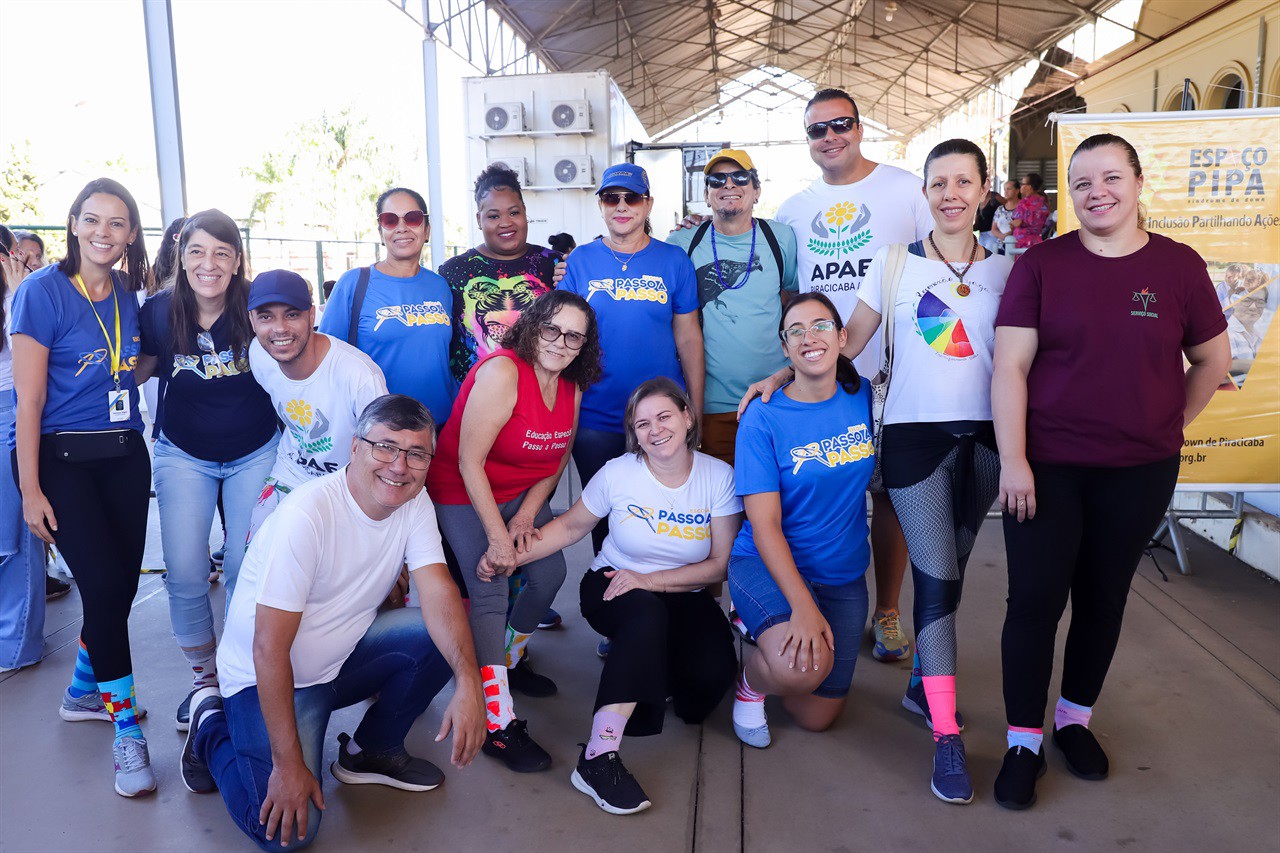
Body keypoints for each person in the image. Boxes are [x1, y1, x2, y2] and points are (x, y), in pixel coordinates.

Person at [992, 133, 1230, 810]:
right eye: (1082, 181)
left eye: (1109, 178)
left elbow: (1212, 360)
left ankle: (1073, 720)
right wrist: (1014, 460)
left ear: (1137, 181)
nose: (1096, 192)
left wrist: (1169, 426)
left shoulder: (1179, 267)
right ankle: (1022, 741)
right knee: (1033, 602)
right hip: (1046, 469)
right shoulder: (1042, 266)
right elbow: (1009, 365)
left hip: (1138, 472)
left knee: (1104, 598)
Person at [180, 395, 485, 851]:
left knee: (435, 635)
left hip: (339, 661)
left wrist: (469, 681)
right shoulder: (308, 516)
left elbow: (439, 591)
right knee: (286, 834)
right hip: (263, 679)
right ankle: (211, 727)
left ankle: (371, 752)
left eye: (416, 453)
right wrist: (288, 766)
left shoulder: (414, 503)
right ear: (355, 448)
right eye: (385, 447)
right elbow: (268, 648)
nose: (399, 466)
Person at [481, 377, 739, 814]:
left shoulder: (718, 476)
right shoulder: (620, 472)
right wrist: (506, 555)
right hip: (613, 583)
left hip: (681, 592)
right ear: (633, 433)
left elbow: (718, 565)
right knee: (644, 619)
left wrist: (653, 580)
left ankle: (648, 666)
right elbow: (568, 528)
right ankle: (598, 757)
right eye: (642, 424)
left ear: (687, 417)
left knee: (705, 691)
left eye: (663, 417)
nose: (654, 430)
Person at [845, 140, 1013, 803]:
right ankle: (946, 734)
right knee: (937, 583)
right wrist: (780, 374)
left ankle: (922, 684)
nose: (950, 193)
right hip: (913, 441)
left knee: (955, 572)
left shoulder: (1007, 272)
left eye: (963, 181)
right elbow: (847, 343)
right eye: (938, 182)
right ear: (924, 191)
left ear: (983, 188)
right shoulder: (892, 266)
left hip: (987, 443)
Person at [772, 87, 932, 664]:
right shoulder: (792, 209)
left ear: (861, 128)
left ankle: (886, 611)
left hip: (893, 377)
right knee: (815, 494)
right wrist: (782, 371)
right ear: (808, 140)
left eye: (841, 124)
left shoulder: (906, 188)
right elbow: (789, 299)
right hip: (821, 384)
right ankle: (807, 599)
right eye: (818, 129)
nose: (830, 136)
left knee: (888, 496)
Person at [10, 178, 156, 795]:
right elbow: (30, 401)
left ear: (130, 233)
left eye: (118, 223)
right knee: (99, 585)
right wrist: (30, 490)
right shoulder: (41, 294)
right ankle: (127, 734)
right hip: (65, 460)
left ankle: (81, 692)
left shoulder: (127, 294)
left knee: (118, 589)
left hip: (125, 454)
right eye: (92, 219)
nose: (104, 232)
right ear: (72, 224)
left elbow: (133, 363)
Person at [427, 290, 599, 773]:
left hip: (520, 493)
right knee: (491, 585)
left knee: (549, 575)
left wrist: (525, 518)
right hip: (463, 488)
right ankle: (497, 720)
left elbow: (558, 455)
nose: (561, 343)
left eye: (574, 336)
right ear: (532, 326)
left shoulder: (571, 386)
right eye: (552, 329)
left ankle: (505, 658)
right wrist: (498, 538)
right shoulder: (503, 372)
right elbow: (468, 460)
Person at [136, 210, 280, 732]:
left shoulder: (257, 306)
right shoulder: (157, 311)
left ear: (237, 260)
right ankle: (204, 680)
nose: (208, 263)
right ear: (181, 257)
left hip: (255, 450)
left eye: (221, 252)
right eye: (197, 251)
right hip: (184, 452)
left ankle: (240, 672)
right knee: (186, 572)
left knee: (247, 569)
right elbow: (135, 372)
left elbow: (298, 356)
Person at [729, 292, 875, 748]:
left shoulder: (864, 396)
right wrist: (803, 607)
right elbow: (765, 525)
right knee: (797, 669)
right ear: (785, 348)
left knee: (815, 715)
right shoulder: (762, 418)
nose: (809, 337)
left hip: (842, 573)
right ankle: (751, 682)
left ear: (842, 336)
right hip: (765, 563)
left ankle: (770, 634)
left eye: (820, 326)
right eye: (796, 331)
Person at [559, 163, 704, 552]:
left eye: (632, 197)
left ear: (648, 204)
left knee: (664, 513)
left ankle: (663, 597)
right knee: (603, 518)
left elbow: (689, 338)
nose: (621, 206)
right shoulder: (580, 262)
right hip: (596, 417)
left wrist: (696, 408)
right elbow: (563, 338)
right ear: (601, 205)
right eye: (611, 197)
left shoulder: (674, 261)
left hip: (661, 417)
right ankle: (610, 599)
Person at [665, 149, 799, 465]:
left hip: (776, 397)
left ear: (756, 190)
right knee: (723, 506)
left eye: (740, 178)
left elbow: (790, 300)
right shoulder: (682, 243)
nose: (729, 185)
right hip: (713, 405)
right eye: (717, 180)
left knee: (781, 501)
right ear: (706, 195)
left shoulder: (781, 238)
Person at [247, 270, 388, 539]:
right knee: (257, 554)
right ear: (252, 320)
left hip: (348, 487)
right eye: (266, 316)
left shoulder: (358, 375)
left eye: (292, 314)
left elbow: (383, 452)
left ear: (312, 316)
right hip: (290, 475)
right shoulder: (259, 354)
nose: (279, 328)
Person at [318, 187, 454, 425]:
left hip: (442, 423)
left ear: (427, 229)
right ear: (381, 232)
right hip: (383, 427)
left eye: (412, 218)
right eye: (390, 220)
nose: (402, 227)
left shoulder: (440, 286)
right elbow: (327, 360)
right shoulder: (354, 283)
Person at [439, 165, 559, 385]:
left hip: (542, 396)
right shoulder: (454, 272)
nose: (506, 222)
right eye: (493, 216)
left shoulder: (554, 264)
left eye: (514, 212)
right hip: (476, 400)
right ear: (478, 219)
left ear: (524, 211)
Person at [0, 226, 48, 670]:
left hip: (10, 412)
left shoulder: (22, 297)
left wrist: (18, 292)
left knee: (12, 539)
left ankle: (16, 646)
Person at [1011, 173, 1050, 250]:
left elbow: (1017, 222)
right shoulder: (1043, 202)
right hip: (1037, 241)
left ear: (1029, 187)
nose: (1021, 186)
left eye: (1023, 184)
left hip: (1022, 242)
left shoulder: (1024, 203)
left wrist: (1011, 224)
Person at [990, 180, 1019, 254]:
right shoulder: (1000, 209)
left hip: (1018, 245)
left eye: (1009, 189)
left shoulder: (1023, 208)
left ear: (1017, 191)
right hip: (1001, 246)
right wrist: (1004, 236)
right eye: (1004, 189)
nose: (1006, 192)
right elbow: (994, 229)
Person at [975, 183, 1004, 255]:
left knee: (989, 255)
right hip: (981, 234)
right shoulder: (978, 199)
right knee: (980, 256)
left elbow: (1008, 205)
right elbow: (976, 220)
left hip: (993, 233)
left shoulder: (995, 196)